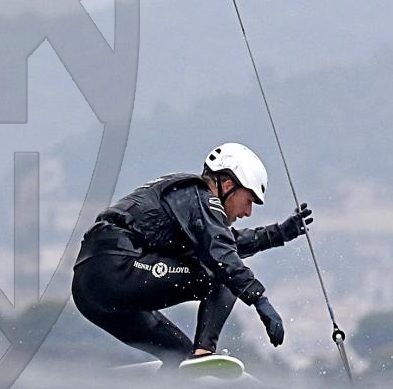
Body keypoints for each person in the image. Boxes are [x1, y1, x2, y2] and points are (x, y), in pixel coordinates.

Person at [72, 142, 313, 366]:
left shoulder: (192, 202)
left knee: (179, 358)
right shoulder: (201, 197)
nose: (248, 212)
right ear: (228, 186)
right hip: (114, 268)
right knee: (222, 273)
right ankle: (204, 353)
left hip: (89, 292)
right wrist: (260, 300)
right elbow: (223, 256)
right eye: (249, 200)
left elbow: (223, 245)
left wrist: (279, 233)